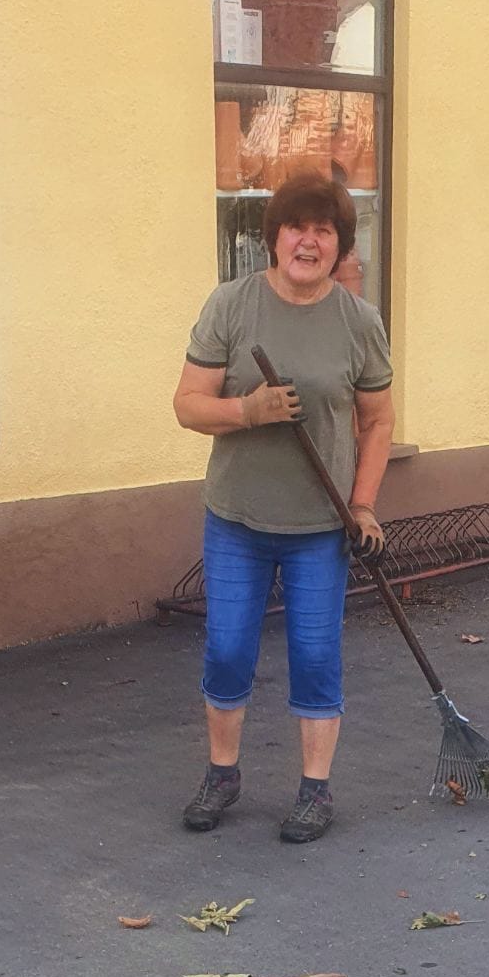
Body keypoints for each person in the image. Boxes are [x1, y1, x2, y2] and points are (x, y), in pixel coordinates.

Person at [172, 173, 395, 843]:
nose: (308, 241)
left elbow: (377, 421)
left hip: (320, 529)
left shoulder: (358, 322)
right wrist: (247, 410)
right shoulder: (232, 305)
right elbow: (187, 405)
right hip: (236, 520)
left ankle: (314, 791)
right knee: (227, 649)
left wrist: (363, 505)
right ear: (274, 237)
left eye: (323, 230)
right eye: (296, 227)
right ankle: (222, 775)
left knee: (315, 655)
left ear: (340, 245)